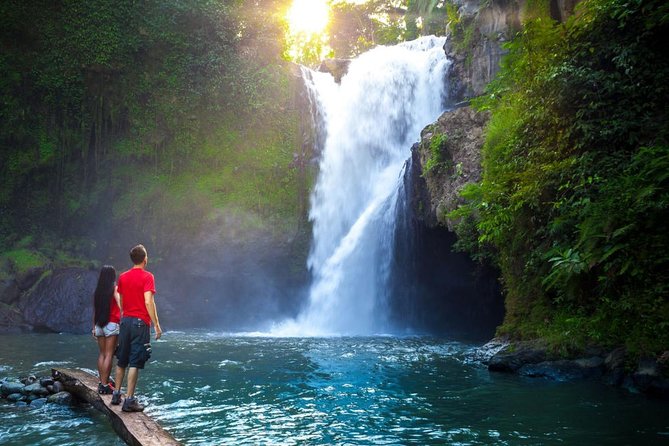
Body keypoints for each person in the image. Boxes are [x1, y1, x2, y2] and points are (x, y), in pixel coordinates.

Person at [111, 244, 163, 412]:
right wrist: (156, 324)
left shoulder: (123, 277)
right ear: (145, 259)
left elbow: (121, 299)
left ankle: (116, 394)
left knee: (122, 358)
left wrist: (125, 315)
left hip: (125, 321)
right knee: (135, 361)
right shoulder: (148, 277)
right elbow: (148, 301)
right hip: (140, 322)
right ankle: (130, 400)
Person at [92, 265, 121, 395]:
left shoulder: (98, 292)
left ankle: (102, 382)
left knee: (102, 354)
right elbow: (120, 304)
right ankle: (105, 385)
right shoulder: (114, 289)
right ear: (112, 276)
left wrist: (93, 327)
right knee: (109, 354)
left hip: (99, 325)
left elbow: (95, 311)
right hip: (111, 324)